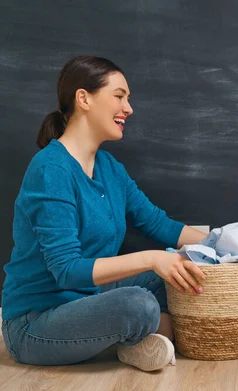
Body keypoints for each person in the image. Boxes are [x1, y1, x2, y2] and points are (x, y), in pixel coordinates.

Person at [1, 56, 207, 372]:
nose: (129, 108)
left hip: (89, 300)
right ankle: (135, 338)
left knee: (170, 276)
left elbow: (156, 222)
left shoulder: (109, 168)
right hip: (36, 321)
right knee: (138, 304)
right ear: (84, 98)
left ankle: (137, 344)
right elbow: (67, 270)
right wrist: (152, 258)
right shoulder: (50, 170)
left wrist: (224, 245)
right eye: (119, 96)